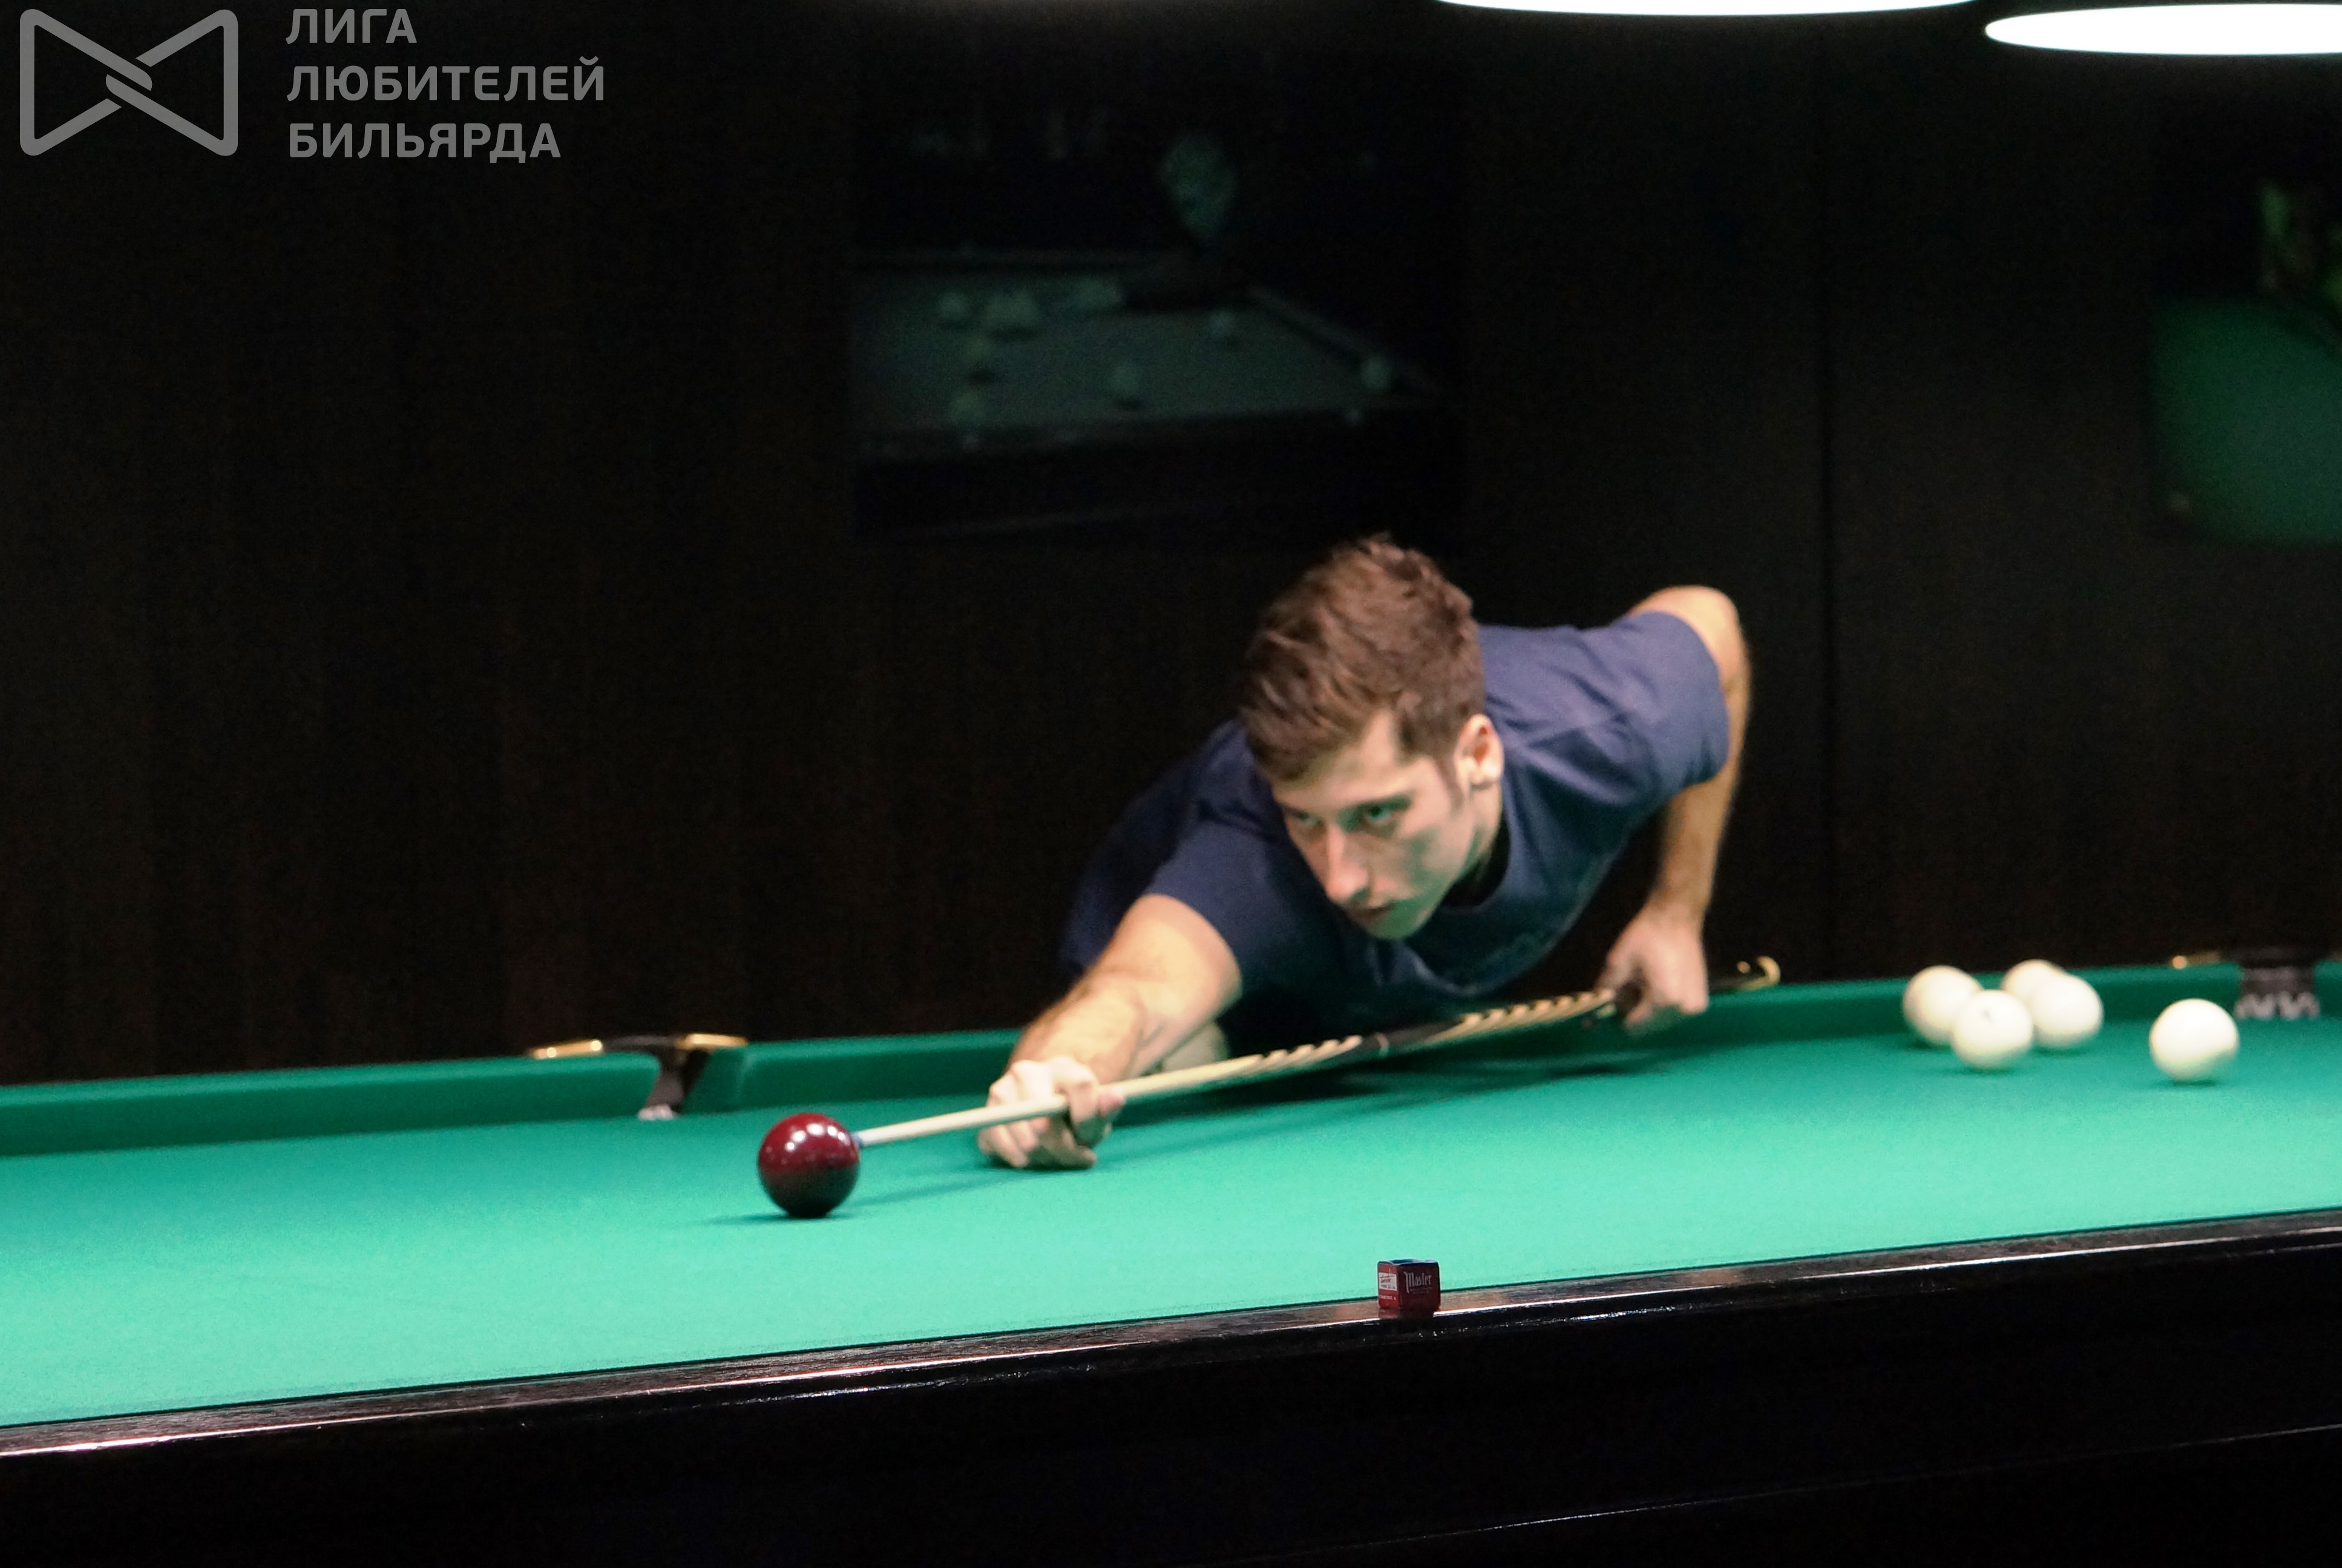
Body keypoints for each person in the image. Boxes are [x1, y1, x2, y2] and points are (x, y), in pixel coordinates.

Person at [979, 537, 1750, 1170]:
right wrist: (1053, 1080)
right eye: (1307, 819)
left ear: (1478, 755)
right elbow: (1135, 991)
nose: (1340, 877)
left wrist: (1678, 908)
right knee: (1181, 1057)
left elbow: (1711, 626)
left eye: (1378, 813)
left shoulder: (1603, 727)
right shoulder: (1256, 851)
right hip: (1231, 1008)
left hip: (1387, 1003)